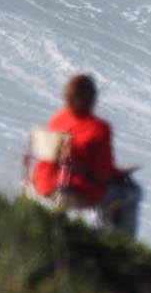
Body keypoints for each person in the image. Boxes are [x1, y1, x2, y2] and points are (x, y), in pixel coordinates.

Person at [31, 73, 141, 236]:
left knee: (109, 187)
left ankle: (89, 232)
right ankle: (115, 241)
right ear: (91, 99)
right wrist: (120, 173)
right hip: (71, 189)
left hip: (43, 184)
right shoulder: (98, 128)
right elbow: (102, 176)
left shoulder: (58, 119)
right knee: (130, 191)